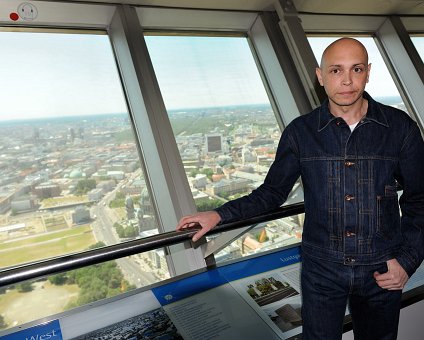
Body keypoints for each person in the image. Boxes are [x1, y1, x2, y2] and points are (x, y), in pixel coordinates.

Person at [176, 37, 424, 339]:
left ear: (368, 72)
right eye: (335, 71)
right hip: (322, 271)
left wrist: (408, 262)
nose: (346, 80)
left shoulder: (400, 128)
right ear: (319, 76)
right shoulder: (300, 132)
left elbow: (419, 199)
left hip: (383, 267)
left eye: (356, 69)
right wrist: (218, 215)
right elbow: (271, 193)